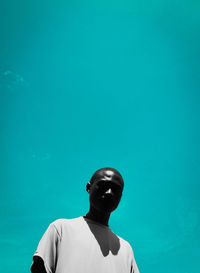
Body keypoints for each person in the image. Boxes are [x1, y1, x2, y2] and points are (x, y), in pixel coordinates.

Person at [31, 167, 139, 273]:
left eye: (116, 189)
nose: (109, 192)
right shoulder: (61, 229)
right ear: (88, 187)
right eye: (103, 185)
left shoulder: (126, 250)